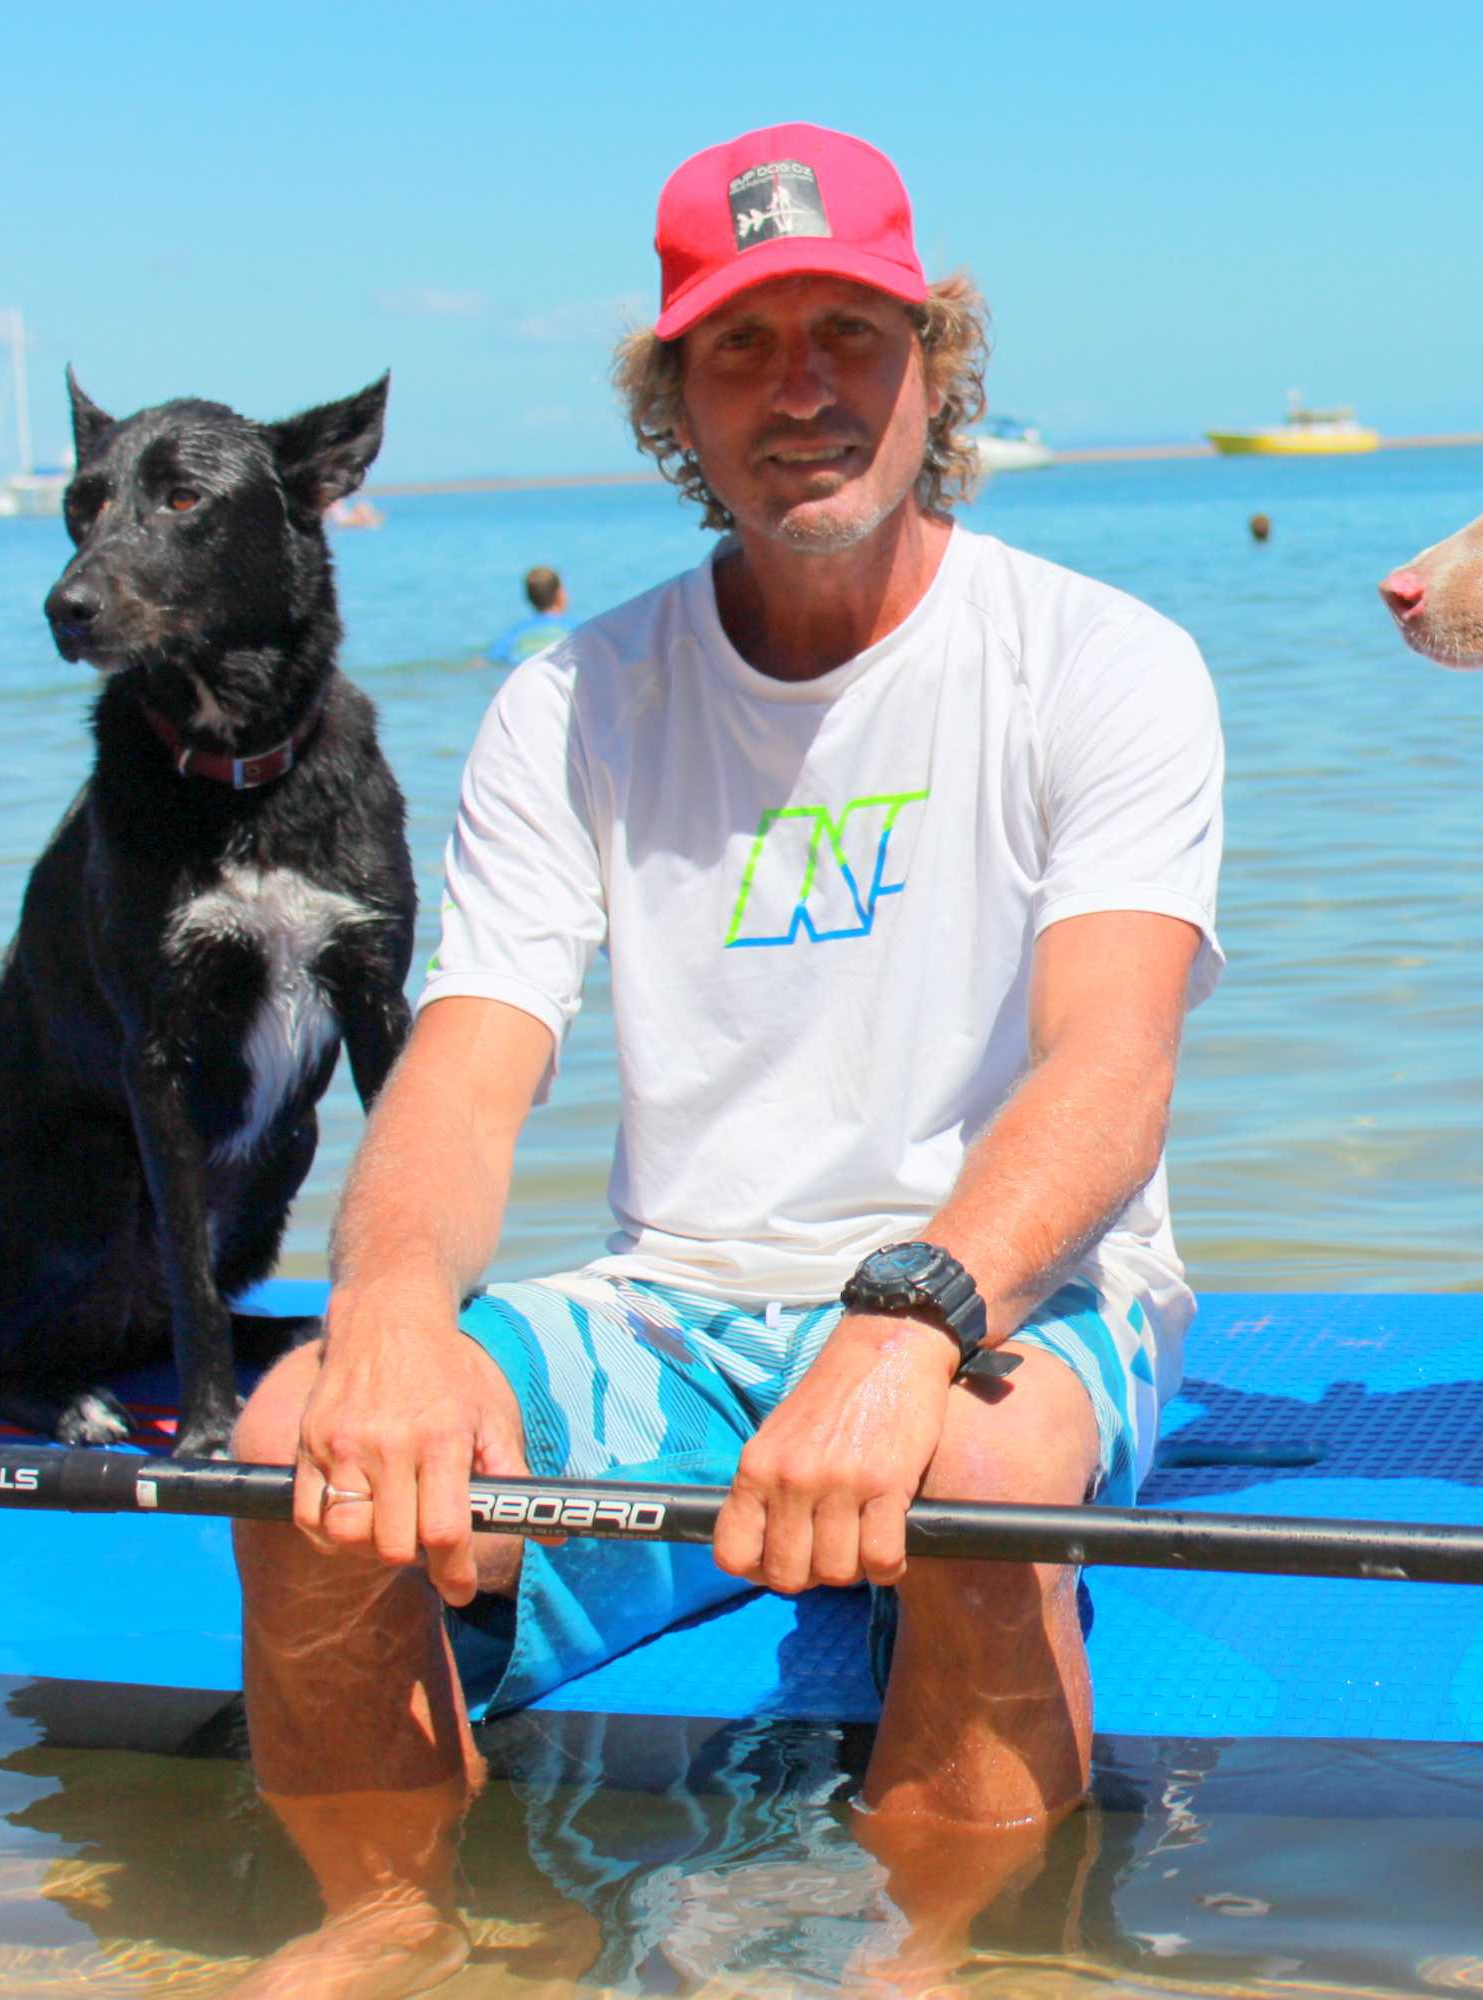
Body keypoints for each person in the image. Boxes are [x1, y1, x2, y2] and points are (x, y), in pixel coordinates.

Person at [225, 120, 1224, 1998]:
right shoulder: (574, 695)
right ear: (673, 402)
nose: (807, 392)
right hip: (677, 1310)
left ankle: (939, 1950)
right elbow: (465, 1059)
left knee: (988, 1473)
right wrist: (385, 1321)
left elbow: (1112, 1072)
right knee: (300, 1450)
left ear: (939, 364)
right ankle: (391, 1919)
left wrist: (907, 1320)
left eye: (853, 331)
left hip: (1016, 1296)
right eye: (744, 347)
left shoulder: (1106, 660)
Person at [478, 565, 572, 664]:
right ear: (560, 594)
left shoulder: (516, 631)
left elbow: (490, 659)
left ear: (529, 598)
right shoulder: (575, 628)